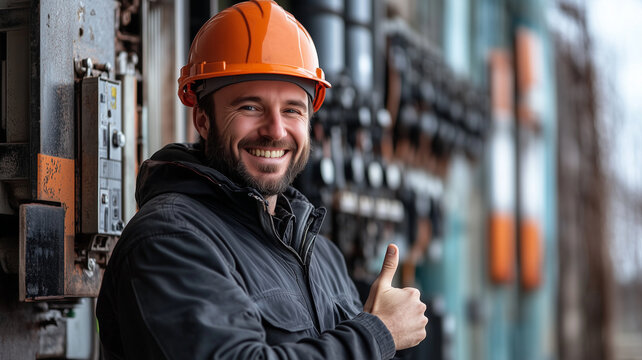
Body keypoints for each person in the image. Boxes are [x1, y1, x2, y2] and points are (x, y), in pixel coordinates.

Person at [96, 1, 427, 359]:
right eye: (250, 107)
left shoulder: (320, 255)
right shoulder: (170, 238)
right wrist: (377, 333)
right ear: (203, 120)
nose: (275, 130)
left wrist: (384, 334)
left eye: (291, 110)